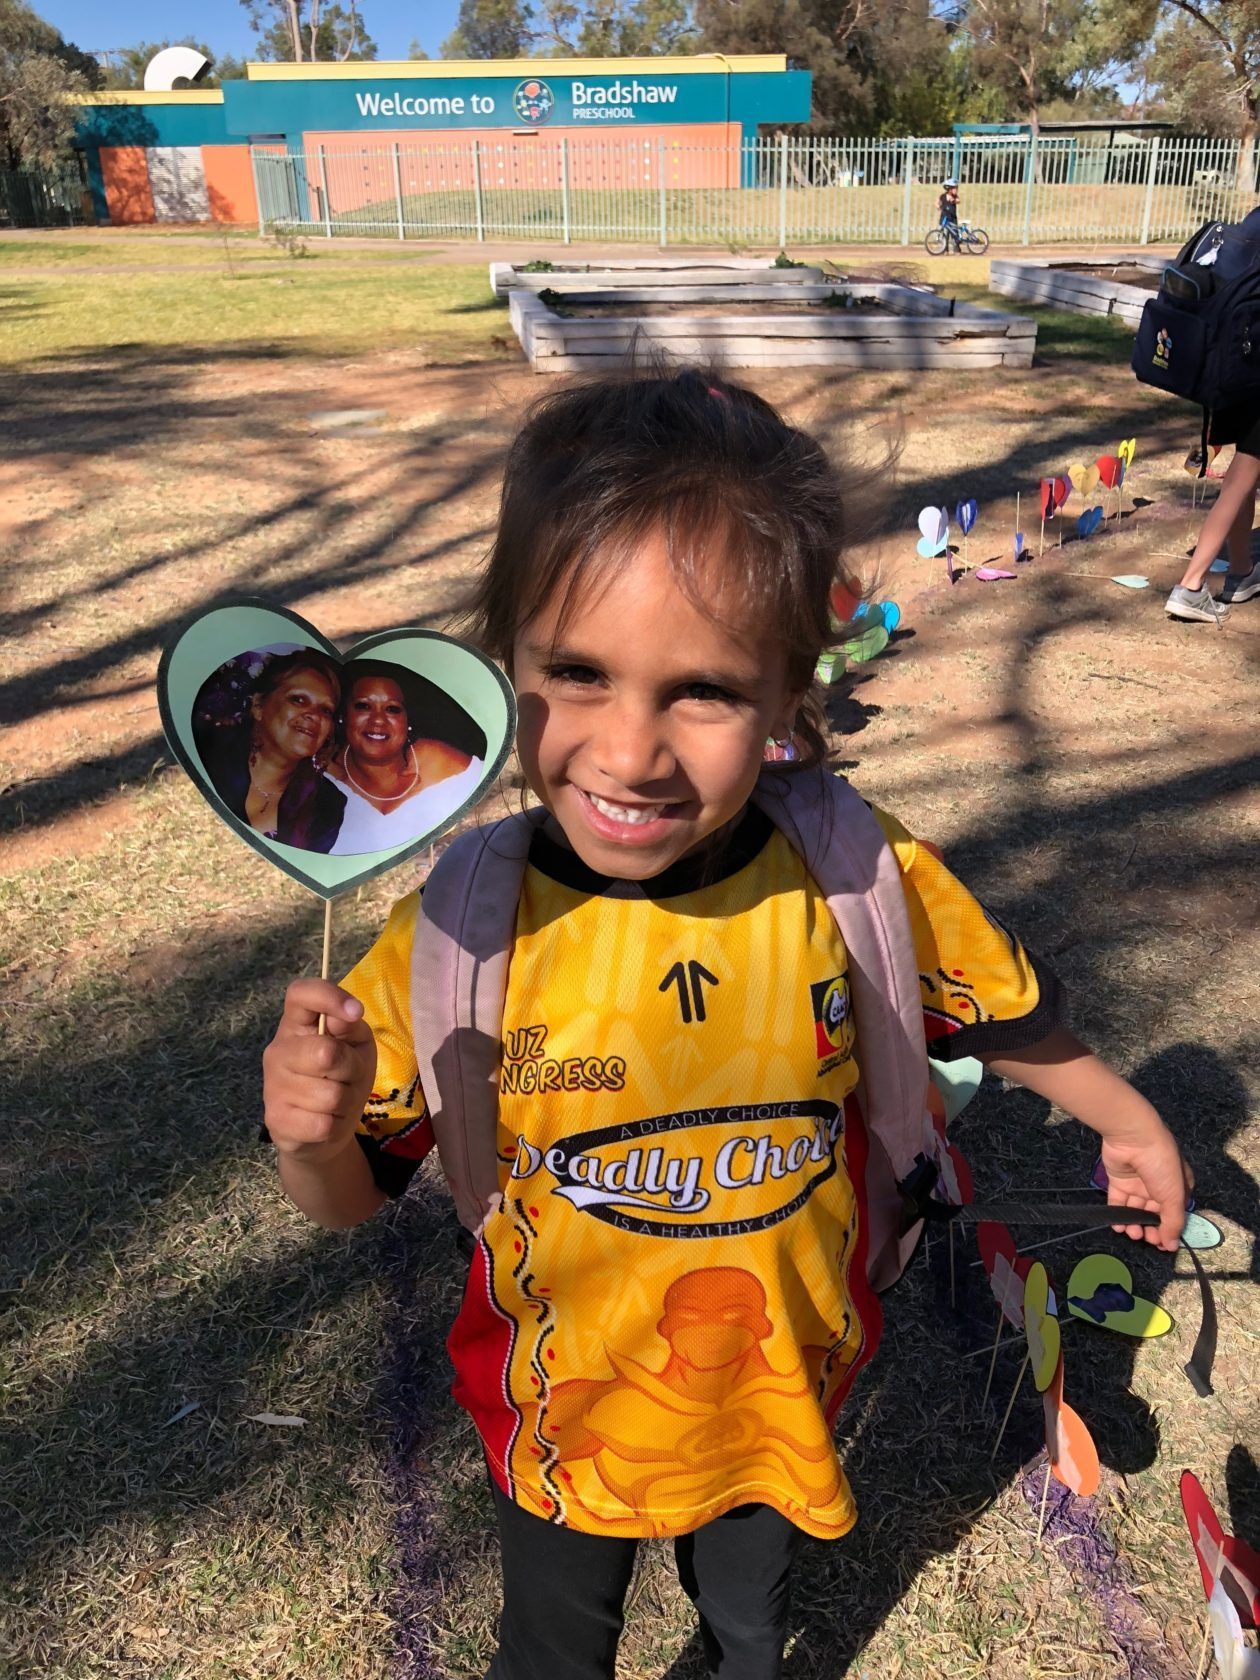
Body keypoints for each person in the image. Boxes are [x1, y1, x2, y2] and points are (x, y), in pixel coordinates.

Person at [261, 368, 1192, 1680]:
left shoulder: (856, 875)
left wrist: (1126, 1112)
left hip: (776, 1403)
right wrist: (309, 1137)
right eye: (576, 674)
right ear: (504, 661)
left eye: (701, 691)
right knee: (552, 1652)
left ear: (787, 690)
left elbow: (1001, 1010)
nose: (631, 751)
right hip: (561, 1418)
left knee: (749, 1633)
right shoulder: (463, 930)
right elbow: (353, 1195)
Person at [324, 660, 486, 856]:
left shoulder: (440, 763)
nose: (377, 719)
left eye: (392, 709)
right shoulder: (321, 778)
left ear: (407, 720)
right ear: (343, 716)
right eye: (363, 706)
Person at [195, 648, 346, 853]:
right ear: (258, 705)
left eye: (325, 710)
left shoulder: (327, 806)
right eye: (299, 700)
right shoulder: (206, 756)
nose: (314, 715)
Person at [1165, 418, 1260, 622]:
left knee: (1247, 470)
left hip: (1246, 391)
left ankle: (1241, 570)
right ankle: (1191, 587)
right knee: (1243, 474)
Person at [938, 178, 960, 250]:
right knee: (945, 233)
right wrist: (939, 207)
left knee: (954, 232)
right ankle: (945, 249)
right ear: (949, 189)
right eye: (955, 188)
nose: (956, 190)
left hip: (953, 217)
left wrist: (954, 200)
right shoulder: (942, 196)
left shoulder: (954, 196)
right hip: (945, 217)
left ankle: (956, 248)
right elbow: (936, 202)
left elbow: (958, 201)